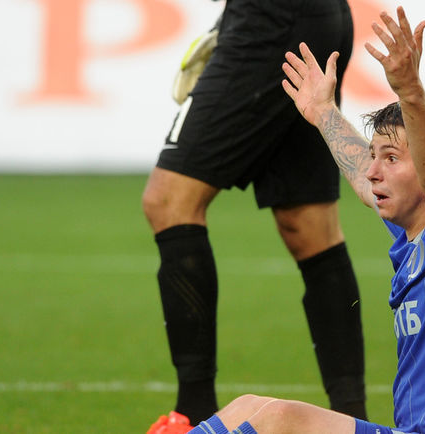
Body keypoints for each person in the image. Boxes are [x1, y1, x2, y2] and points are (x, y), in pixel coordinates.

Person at [182, 5, 425, 433]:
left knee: (280, 420)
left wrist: (411, 92)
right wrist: (323, 111)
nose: (373, 170)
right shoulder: (416, 234)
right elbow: (362, 175)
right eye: (375, 156)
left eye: (391, 158)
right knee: (248, 408)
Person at [142, 0, 368, 431]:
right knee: (307, 224)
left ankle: (193, 416)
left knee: (168, 199)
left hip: (270, 22)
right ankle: (352, 422)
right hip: (316, 19)